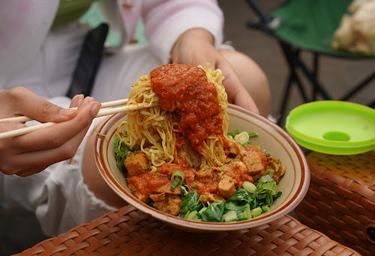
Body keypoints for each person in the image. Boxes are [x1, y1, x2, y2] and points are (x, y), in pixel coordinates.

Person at [0, 0, 271, 238]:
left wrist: (192, 39)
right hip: (6, 87)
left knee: (244, 78)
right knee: (105, 156)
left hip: (81, 53)